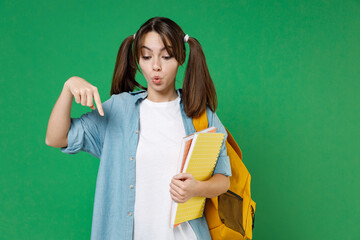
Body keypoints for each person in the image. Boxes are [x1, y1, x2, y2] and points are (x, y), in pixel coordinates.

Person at [45, 16, 231, 240]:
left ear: (181, 59)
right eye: (146, 56)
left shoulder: (201, 116)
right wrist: (68, 87)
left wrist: (195, 189)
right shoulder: (118, 110)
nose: (156, 66)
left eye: (166, 56)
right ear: (137, 60)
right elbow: (56, 138)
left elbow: (224, 180)